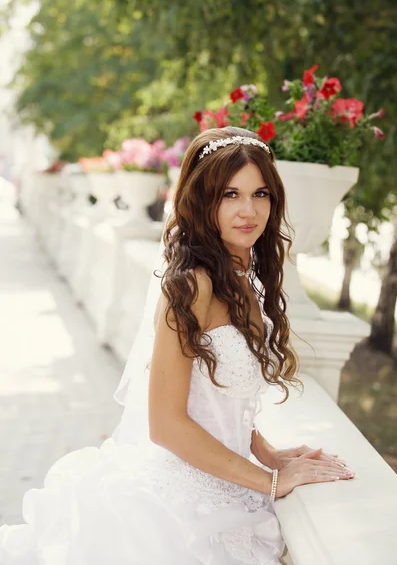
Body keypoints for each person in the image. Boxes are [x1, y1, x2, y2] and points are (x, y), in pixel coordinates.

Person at [0, 127, 354, 565]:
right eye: (230, 195)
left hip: (230, 484)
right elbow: (165, 425)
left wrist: (265, 451)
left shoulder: (247, 279)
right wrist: (271, 482)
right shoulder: (191, 286)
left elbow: (217, 394)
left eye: (260, 193)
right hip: (175, 508)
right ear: (203, 200)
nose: (248, 210)